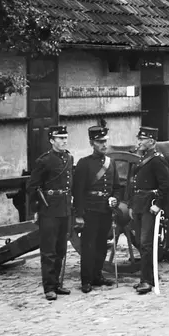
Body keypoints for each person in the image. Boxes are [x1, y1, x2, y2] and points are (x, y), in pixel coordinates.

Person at [27, 124, 74, 301]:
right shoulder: (44, 161)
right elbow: (32, 186)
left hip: (64, 209)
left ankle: (57, 284)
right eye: (60, 138)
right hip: (49, 209)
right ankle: (49, 287)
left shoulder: (69, 158)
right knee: (48, 250)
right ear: (51, 140)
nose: (63, 141)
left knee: (61, 249)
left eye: (65, 138)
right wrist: (36, 210)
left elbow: (71, 184)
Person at [129, 126, 169, 296]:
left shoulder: (157, 159)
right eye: (139, 138)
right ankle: (145, 277)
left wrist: (159, 205)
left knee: (146, 243)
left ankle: (147, 281)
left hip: (150, 205)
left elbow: (166, 185)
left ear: (152, 142)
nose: (139, 142)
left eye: (143, 139)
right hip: (140, 204)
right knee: (142, 243)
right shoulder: (144, 157)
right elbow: (135, 184)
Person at [72, 124, 118, 294]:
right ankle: (86, 280)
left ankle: (97, 276)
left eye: (105, 141)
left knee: (101, 245)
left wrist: (115, 198)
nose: (104, 145)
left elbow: (117, 187)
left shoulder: (110, 163)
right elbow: (78, 191)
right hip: (90, 211)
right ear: (92, 143)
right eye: (99, 142)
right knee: (88, 246)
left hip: (105, 210)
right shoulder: (84, 164)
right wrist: (79, 215)